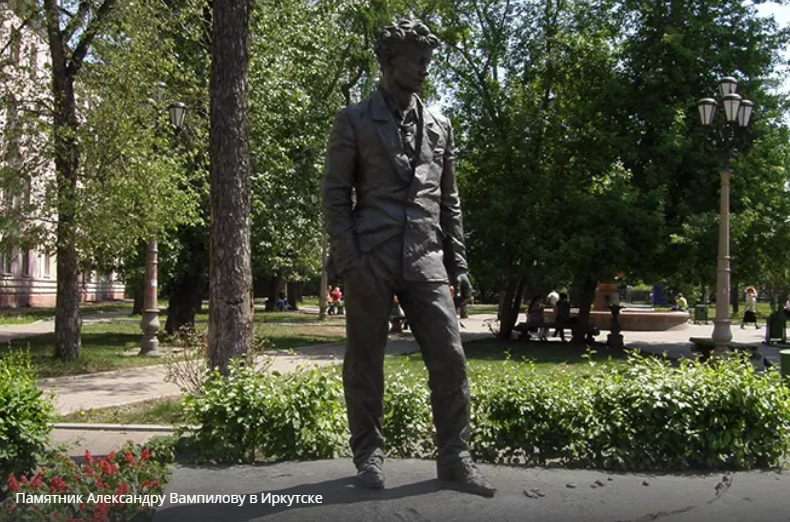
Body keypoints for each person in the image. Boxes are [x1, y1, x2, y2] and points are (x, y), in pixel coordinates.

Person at [321, 20, 495, 496]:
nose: (423, 68)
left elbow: (449, 201)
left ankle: (455, 459)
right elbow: (335, 198)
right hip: (370, 257)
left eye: (427, 60)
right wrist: (350, 261)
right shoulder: (353, 120)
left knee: (450, 358)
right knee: (364, 363)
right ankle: (369, 458)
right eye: (415, 58)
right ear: (389, 58)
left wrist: (458, 264)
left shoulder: (439, 125)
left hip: (426, 256)